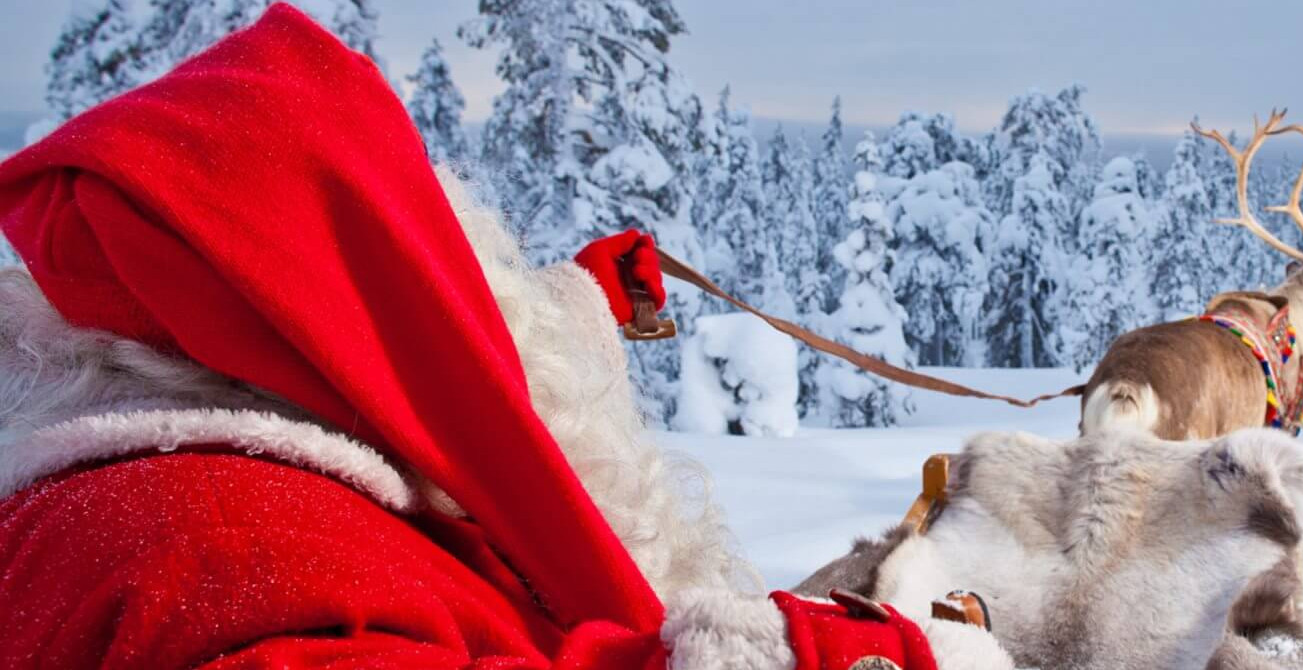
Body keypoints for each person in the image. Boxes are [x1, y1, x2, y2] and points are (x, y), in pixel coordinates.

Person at [0, 5, 1009, 669]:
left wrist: (592, 298)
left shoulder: (168, 447)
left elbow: (462, 358)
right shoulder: (233, 563)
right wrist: (816, 655)